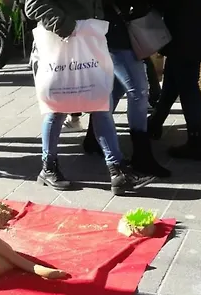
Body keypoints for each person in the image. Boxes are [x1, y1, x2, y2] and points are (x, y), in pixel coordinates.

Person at [25, 0, 156, 195]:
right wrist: (65, 26)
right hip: (63, 42)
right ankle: (48, 167)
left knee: (100, 103)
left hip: (88, 41)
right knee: (58, 108)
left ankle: (118, 171)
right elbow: (33, 5)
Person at [83, 0, 170, 178]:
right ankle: (141, 155)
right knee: (138, 91)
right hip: (118, 31)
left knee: (117, 88)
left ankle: (93, 138)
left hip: (120, 28)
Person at [147, 0, 201, 161]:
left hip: (186, 30)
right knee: (174, 77)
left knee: (187, 84)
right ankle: (155, 123)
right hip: (199, 27)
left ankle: (197, 140)